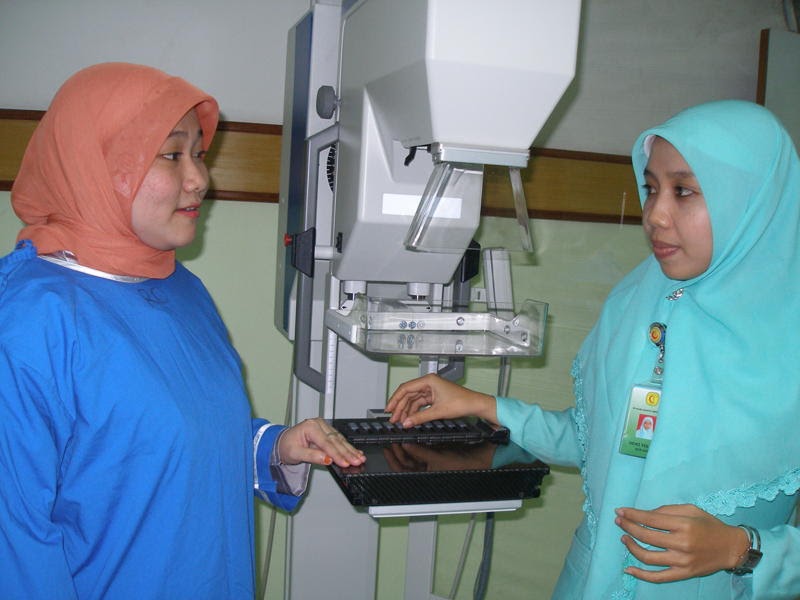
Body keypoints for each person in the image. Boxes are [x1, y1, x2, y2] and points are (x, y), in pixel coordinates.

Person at [387, 100, 800, 598]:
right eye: (651, 188)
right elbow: (609, 443)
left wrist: (743, 549)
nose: (655, 215)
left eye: (684, 191)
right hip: (591, 580)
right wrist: (485, 406)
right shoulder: (640, 304)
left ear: (751, 200)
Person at [0, 62, 364, 600]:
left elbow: (161, 445)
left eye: (200, 153)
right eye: (172, 155)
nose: (199, 179)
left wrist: (274, 448)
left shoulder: (181, 289)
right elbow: (14, 547)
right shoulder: (29, 320)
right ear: (97, 164)